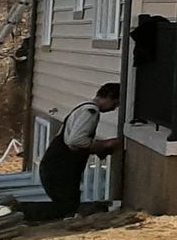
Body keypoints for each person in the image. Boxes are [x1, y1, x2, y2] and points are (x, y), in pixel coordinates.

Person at [26, 83, 121, 221]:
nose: (114, 108)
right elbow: (75, 141)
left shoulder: (83, 108)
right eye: (115, 103)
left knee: (68, 204)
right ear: (109, 97)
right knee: (66, 206)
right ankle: (22, 212)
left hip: (57, 166)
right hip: (60, 168)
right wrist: (103, 144)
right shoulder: (90, 112)